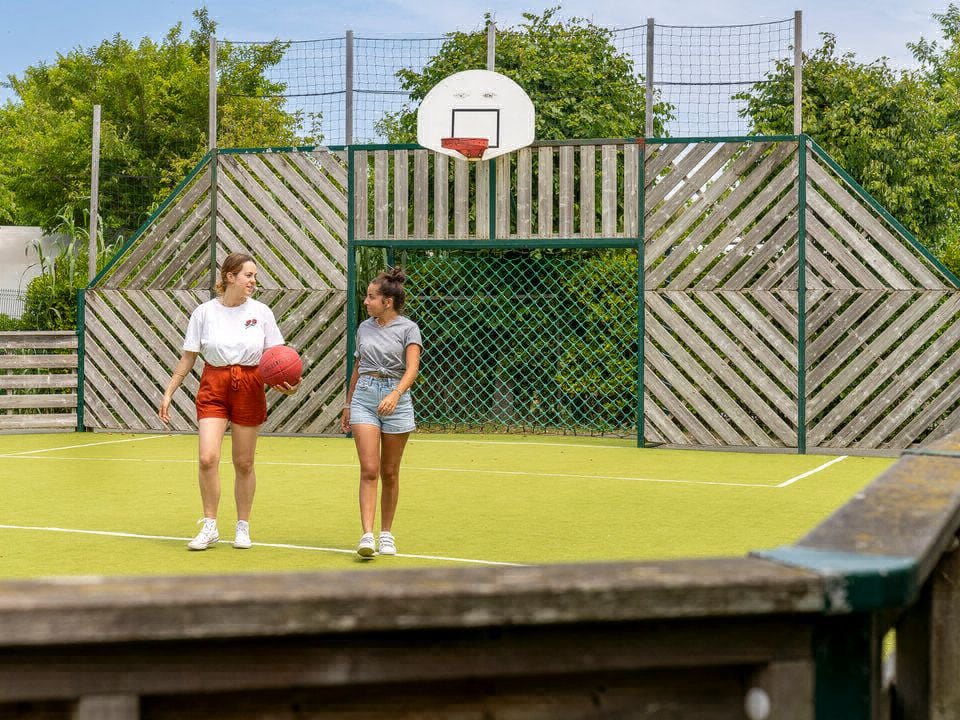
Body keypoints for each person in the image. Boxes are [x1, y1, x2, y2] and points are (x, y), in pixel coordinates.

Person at [158, 252, 298, 551]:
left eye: (255, 276)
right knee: (207, 457)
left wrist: (286, 387)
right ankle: (209, 526)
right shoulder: (204, 313)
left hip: (249, 384)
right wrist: (169, 391)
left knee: (244, 463)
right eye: (249, 275)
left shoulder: (261, 312)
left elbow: (277, 359)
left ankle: (243, 526)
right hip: (214, 384)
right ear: (230, 276)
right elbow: (188, 357)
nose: (254, 281)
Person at [342, 267, 422, 558]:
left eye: (371, 297)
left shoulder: (409, 328)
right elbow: (358, 366)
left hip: (396, 400)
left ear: (387, 302)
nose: (366, 302)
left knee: (389, 472)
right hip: (364, 396)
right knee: (370, 470)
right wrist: (349, 404)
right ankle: (367, 535)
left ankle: (386, 534)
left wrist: (395, 394)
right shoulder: (364, 327)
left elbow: (412, 368)